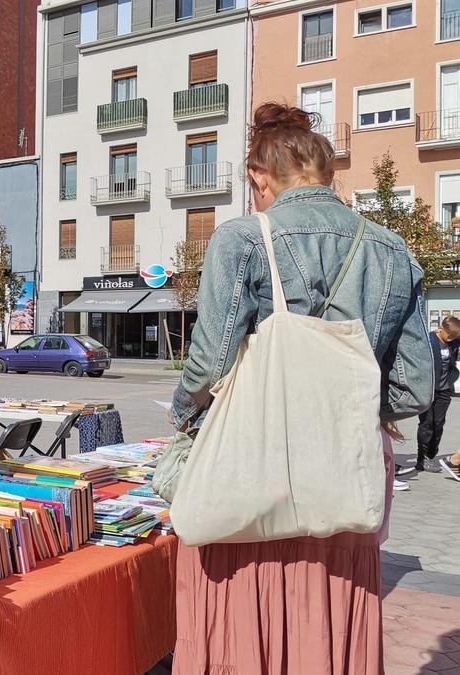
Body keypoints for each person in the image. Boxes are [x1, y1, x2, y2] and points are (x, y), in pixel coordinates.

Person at [168, 103, 432, 675]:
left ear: (261, 178)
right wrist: (350, 408)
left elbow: (210, 361)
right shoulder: (393, 250)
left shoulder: (242, 237)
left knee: (244, 620)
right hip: (342, 485)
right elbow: (415, 389)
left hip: (250, 483)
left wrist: (186, 417)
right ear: (325, 172)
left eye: (254, 189)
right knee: (328, 625)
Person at [402, 316, 460, 476]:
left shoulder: (454, 342)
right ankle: (422, 459)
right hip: (426, 389)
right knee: (426, 424)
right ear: (441, 329)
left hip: (444, 391)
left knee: (438, 424)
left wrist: (449, 381)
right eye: (450, 336)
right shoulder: (427, 340)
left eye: (454, 338)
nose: (451, 340)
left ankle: (431, 455)